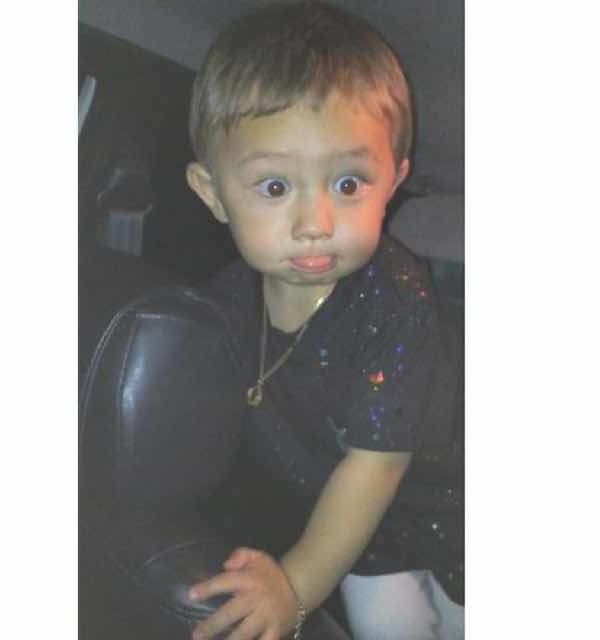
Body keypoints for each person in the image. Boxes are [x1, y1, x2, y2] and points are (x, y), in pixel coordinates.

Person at [183, 2, 464, 638]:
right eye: (275, 188)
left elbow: (376, 466)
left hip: (447, 512)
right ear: (212, 193)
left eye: (348, 184)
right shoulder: (226, 301)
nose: (316, 222)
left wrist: (295, 586)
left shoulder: (396, 304)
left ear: (394, 181)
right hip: (358, 532)